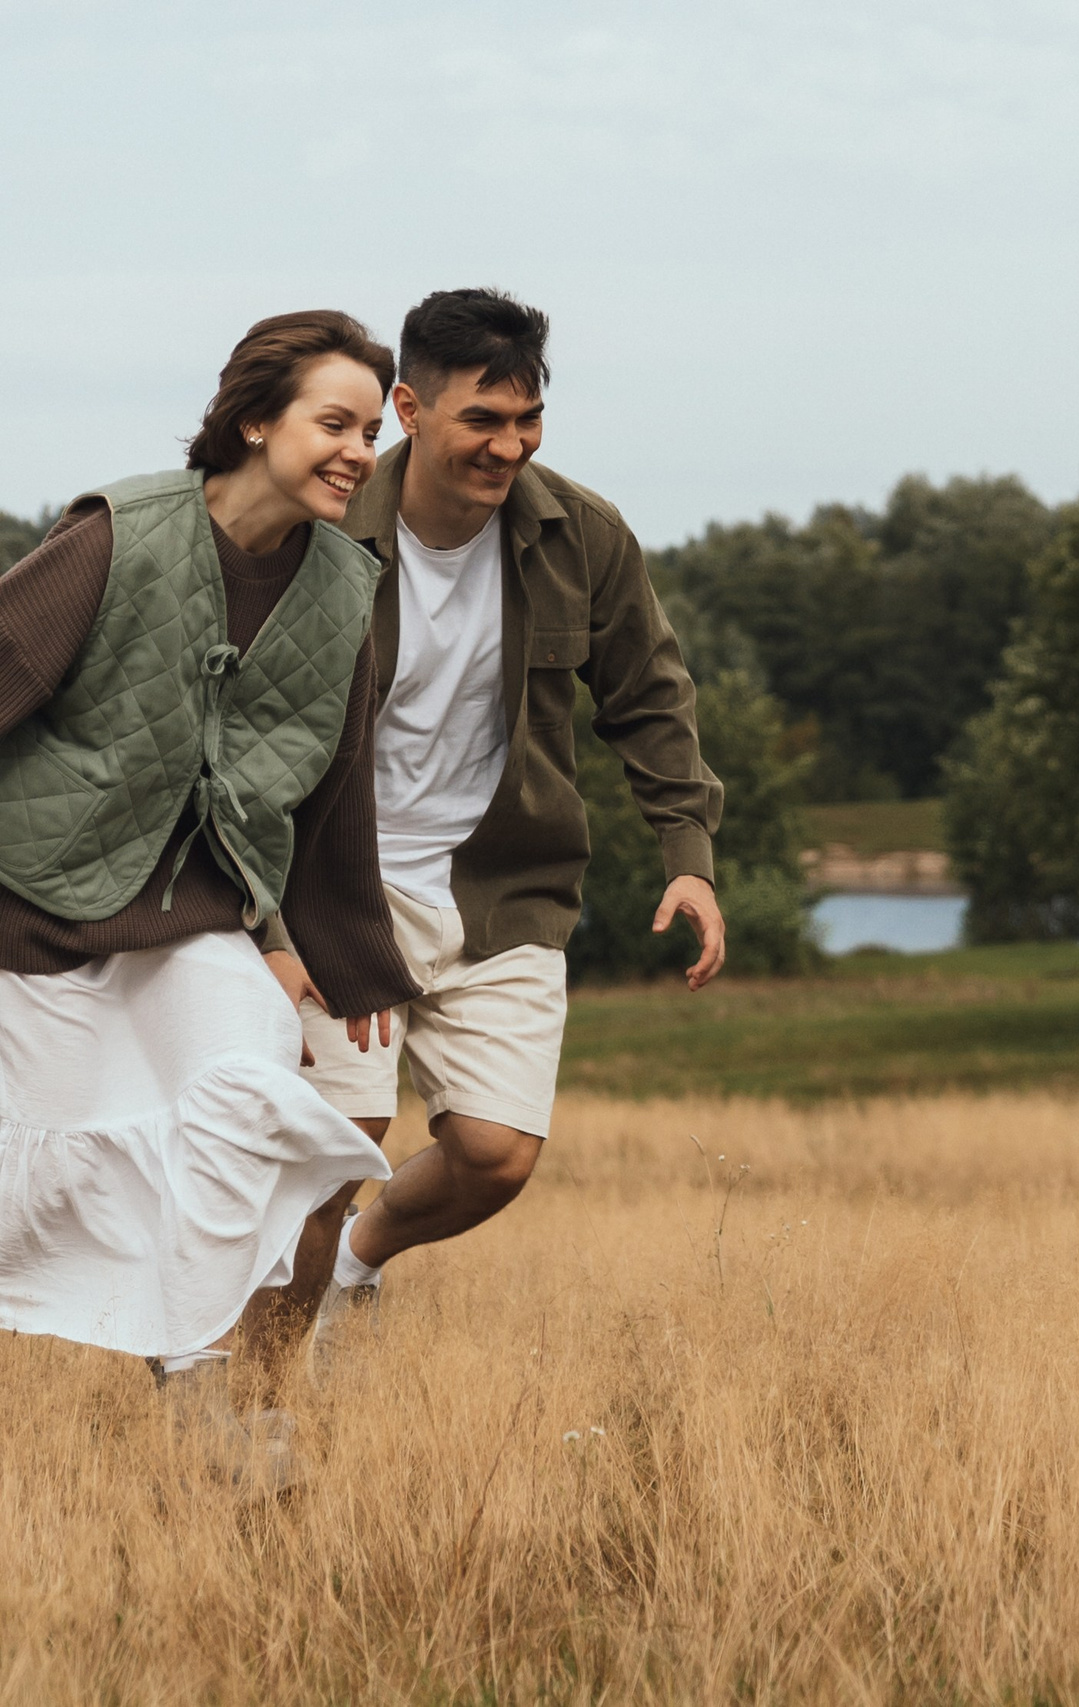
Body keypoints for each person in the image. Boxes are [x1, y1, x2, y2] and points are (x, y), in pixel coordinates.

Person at [252, 289, 725, 1359]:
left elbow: (651, 700)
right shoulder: (318, 529)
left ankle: (360, 1267)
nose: (508, 445)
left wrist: (687, 859)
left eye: (528, 418)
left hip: (503, 888)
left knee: (496, 1155)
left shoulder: (583, 536)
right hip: (337, 885)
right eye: (482, 420)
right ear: (410, 410)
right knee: (335, 1149)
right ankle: (265, 1403)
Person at [0, 310, 417, 1482]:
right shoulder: (117, 536)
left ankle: (199, 1387)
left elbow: (339, 784)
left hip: (192, 912)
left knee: (243, 1089)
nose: (356, 450)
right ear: (252, 420)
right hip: (33, 903)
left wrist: (352, 952)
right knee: (46, 1157)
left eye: (369, 431)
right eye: (332, 422)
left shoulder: (347, 586)